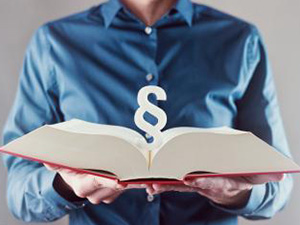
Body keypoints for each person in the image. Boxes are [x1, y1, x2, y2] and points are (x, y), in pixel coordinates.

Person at [2, 0, 293, 224]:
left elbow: (279, 183)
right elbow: (19, 191)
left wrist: (234, 192)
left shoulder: (240, 40)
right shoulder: (55, 43)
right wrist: (67, 186)